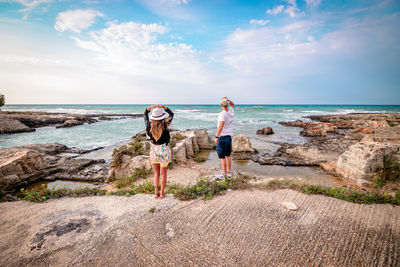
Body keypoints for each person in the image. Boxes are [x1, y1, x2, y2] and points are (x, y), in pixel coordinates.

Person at [144, 105, 174, 199]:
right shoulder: (165, 124)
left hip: (154, 150)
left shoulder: (149, 125)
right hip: (164, 151)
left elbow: (145, 115)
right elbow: (172, 114)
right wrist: (164, 107)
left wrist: (149, 108)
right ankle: (162, 193)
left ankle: (156, 193)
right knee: (163, 173)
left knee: (156, 173)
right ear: (162, 116)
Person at [214, 97, 235, 179]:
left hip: (222, 137)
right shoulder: (231, 112)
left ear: (221, 105)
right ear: (227, 104)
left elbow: (221, 126)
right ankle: (229, 172)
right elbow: (232, 104)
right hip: (229, 137)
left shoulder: (222, 114)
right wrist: (228, 100)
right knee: (228, 155)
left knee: (222, 157)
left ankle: (224, 174)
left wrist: (216, 136)